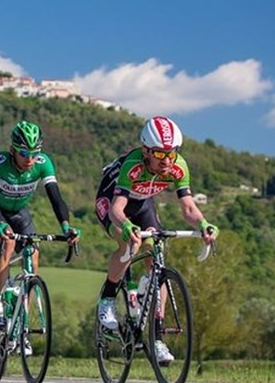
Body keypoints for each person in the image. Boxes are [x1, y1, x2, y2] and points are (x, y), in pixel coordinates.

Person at [94, 116, 219, 364]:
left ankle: (157, 337)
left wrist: (204, 224)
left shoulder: (178, 166)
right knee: (130, 242)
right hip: (112, 201)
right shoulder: (133, 165)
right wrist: (128, 227)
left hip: (143, 204)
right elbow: (117, 209)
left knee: (156, 259)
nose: (166, 161)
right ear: (145, 151)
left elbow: (188, 208)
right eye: (160, 155)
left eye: (171, 154)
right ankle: (107, 300)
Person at [0, 120, 81, 330]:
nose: (30, 159)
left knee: (33, 253)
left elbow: (56, 198)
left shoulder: (43, 163)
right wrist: (0, 224)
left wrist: (66, 227)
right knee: (7, 244)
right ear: (12, 150)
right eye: (24, 153)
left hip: (19, 212)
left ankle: (23, 318)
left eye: (35, 153)